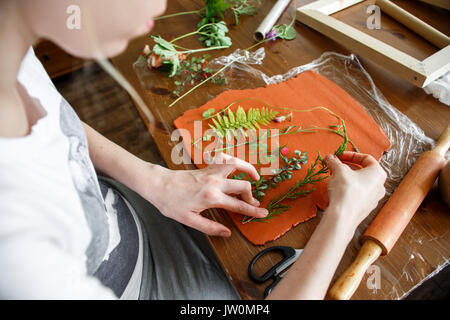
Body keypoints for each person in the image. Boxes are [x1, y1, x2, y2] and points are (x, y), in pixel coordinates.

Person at [0, 0, 387, 300]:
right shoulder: (19, 255)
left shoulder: (10, 37)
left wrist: (153, 178)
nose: (163, 6)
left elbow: (56, 121)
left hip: (126, 210)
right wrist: (344, 216)